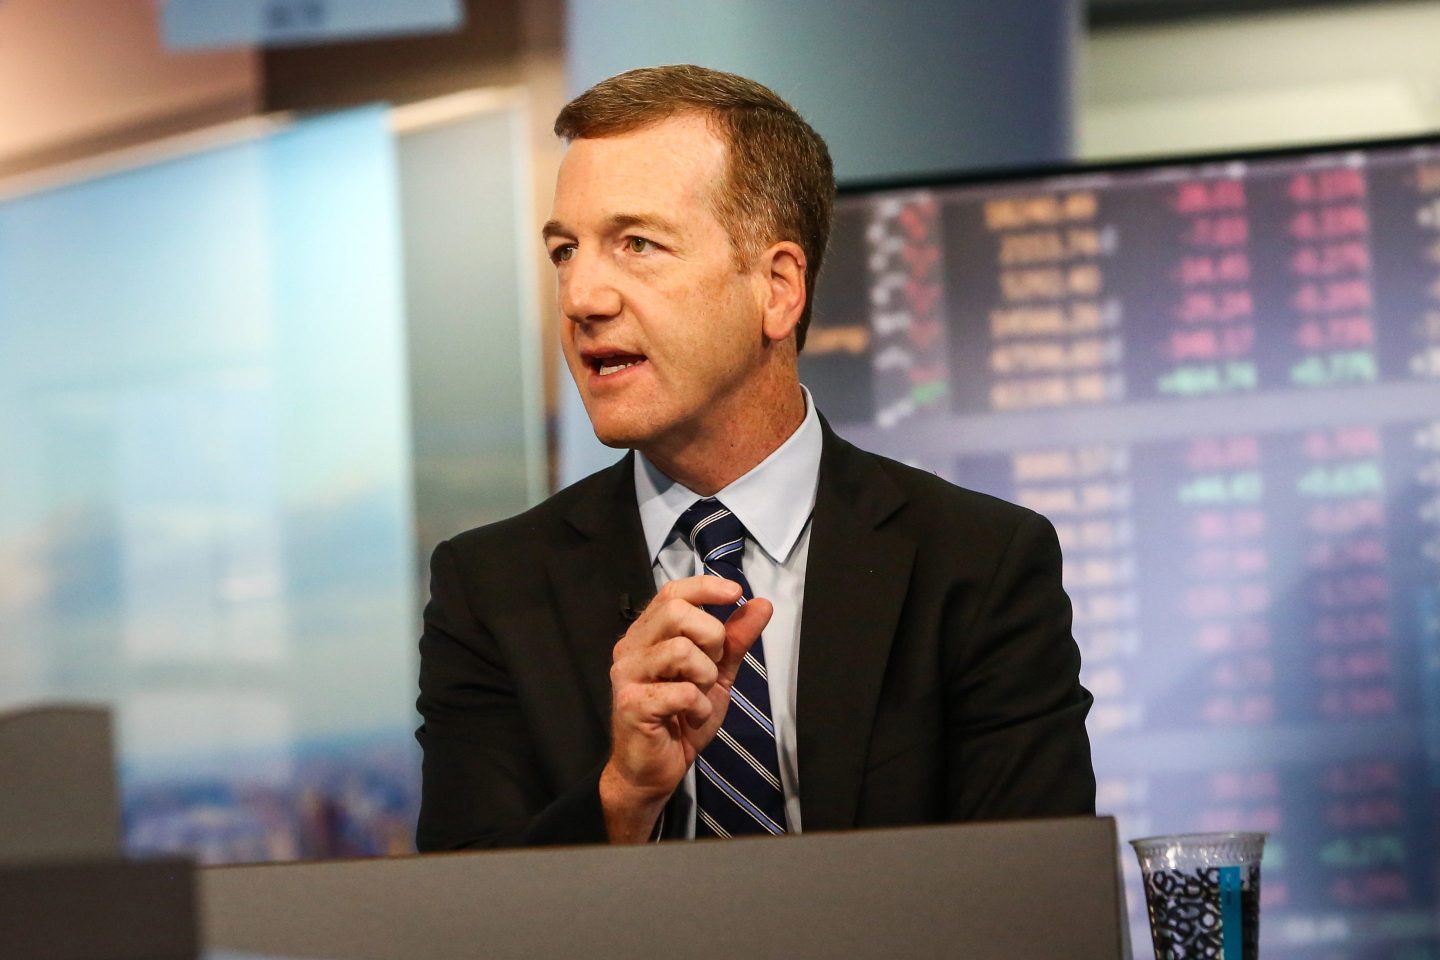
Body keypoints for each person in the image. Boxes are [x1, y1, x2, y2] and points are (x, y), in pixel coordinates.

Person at [415, 64, 1094, 849]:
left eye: (636, 244)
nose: (581, 299)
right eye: (566, 251)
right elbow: (467, 919)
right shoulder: (490, 593)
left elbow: (1031, 906)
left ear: (777, 288)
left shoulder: (979, 566)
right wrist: (623, 797)